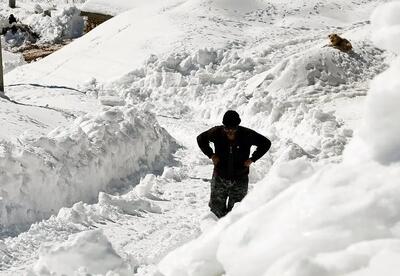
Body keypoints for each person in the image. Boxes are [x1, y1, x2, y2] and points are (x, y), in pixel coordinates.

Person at [197, 110, 271, 218]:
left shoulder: (247, 134)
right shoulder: (217, 132)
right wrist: (211, 155)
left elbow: (266, 143)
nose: (230, 132)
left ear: (238, 127)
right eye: (227, 129)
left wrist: (252, 159)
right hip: (220, 178)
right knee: (216, 212)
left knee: (236, 214)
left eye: (233, 129)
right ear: (223, 126)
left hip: (240, 179)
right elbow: (200, 139)